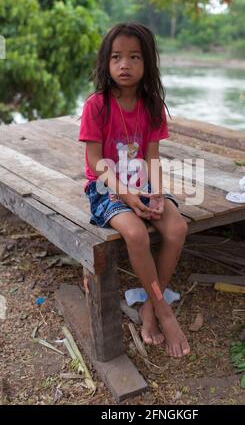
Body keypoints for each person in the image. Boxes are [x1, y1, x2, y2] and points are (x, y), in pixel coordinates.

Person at [78, 23, 190, 357]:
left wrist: (156, 192)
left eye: (134, 57)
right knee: (137, 234)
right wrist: (126, 195)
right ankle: (164, 312)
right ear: (106, 63)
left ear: (147, 63)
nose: (124, 64)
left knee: (177, 227)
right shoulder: (97, 105)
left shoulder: (152, 105)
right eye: (116, 57)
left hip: (142, 184)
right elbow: (96, 161)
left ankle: (148, 306)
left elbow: (152, 157)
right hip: (106, 188)